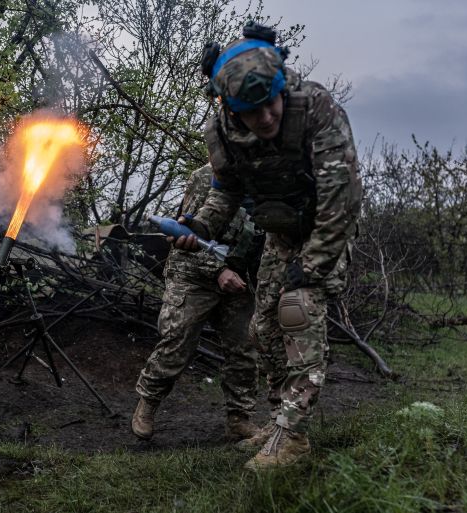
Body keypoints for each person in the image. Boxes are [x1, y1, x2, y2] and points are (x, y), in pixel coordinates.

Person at [172, 21, 362, 470]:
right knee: (262, 329)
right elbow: (226, 192)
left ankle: (294, 438)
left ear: (281, 86)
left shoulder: (315, 107)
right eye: (251, 111)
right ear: (231, 108)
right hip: (280, 234)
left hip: (325, 229)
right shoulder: (221, 134)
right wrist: (199, 228)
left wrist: (313, 265)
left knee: (297, 310)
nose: (266, 118)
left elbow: (343, 195)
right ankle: (279, 422)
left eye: (270, 103)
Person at [132, 164, 260, 442]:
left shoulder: (268, 176)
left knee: (244, 348)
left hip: (239, 276)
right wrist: (218, 271)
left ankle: (239, 418)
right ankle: (148, 403)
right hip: (193, 272)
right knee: (177, 340)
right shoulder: (205, 177)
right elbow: (189, 234)